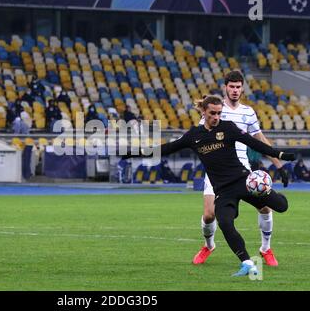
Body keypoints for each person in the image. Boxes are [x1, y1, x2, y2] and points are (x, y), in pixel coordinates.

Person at [124, 95, 295, 276]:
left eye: (219, 113)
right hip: (223, 190)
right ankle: (247, 263)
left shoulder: (228, 128)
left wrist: (280, 154)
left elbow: (255, 143)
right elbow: (166, 148)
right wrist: (136, 152)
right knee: (225, 222)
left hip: (244, 182)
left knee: (281, 207)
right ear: (203, 112)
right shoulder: (194, 136)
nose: (216, 117)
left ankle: (272, 198)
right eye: (212, 113)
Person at [192, 71, 289, 267]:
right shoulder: (215, 110)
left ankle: (265, 249)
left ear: (242, 89)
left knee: (264, 206)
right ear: (225, 87)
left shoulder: (248, 112)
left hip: (242, 170)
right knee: (209, 214)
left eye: (238, 87)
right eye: (231, 87)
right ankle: (208, 245)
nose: (235, 90)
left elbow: (259, 139)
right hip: (217, 171)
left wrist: (279, 164)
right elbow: (201, 136)